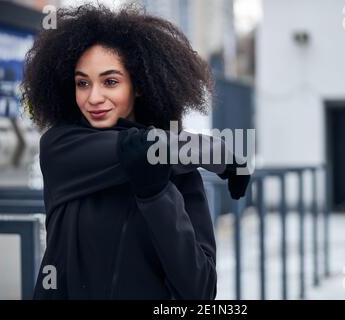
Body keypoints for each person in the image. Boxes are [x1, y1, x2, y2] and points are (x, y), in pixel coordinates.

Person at [21, 4, 250, 300]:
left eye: (110, 82)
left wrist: (156, 197)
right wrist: (221, 155)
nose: (94, 97)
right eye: (82, 83)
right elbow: (138, 148)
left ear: (139, 86)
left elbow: (200, 291)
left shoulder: (179, 171)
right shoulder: (61, 146)